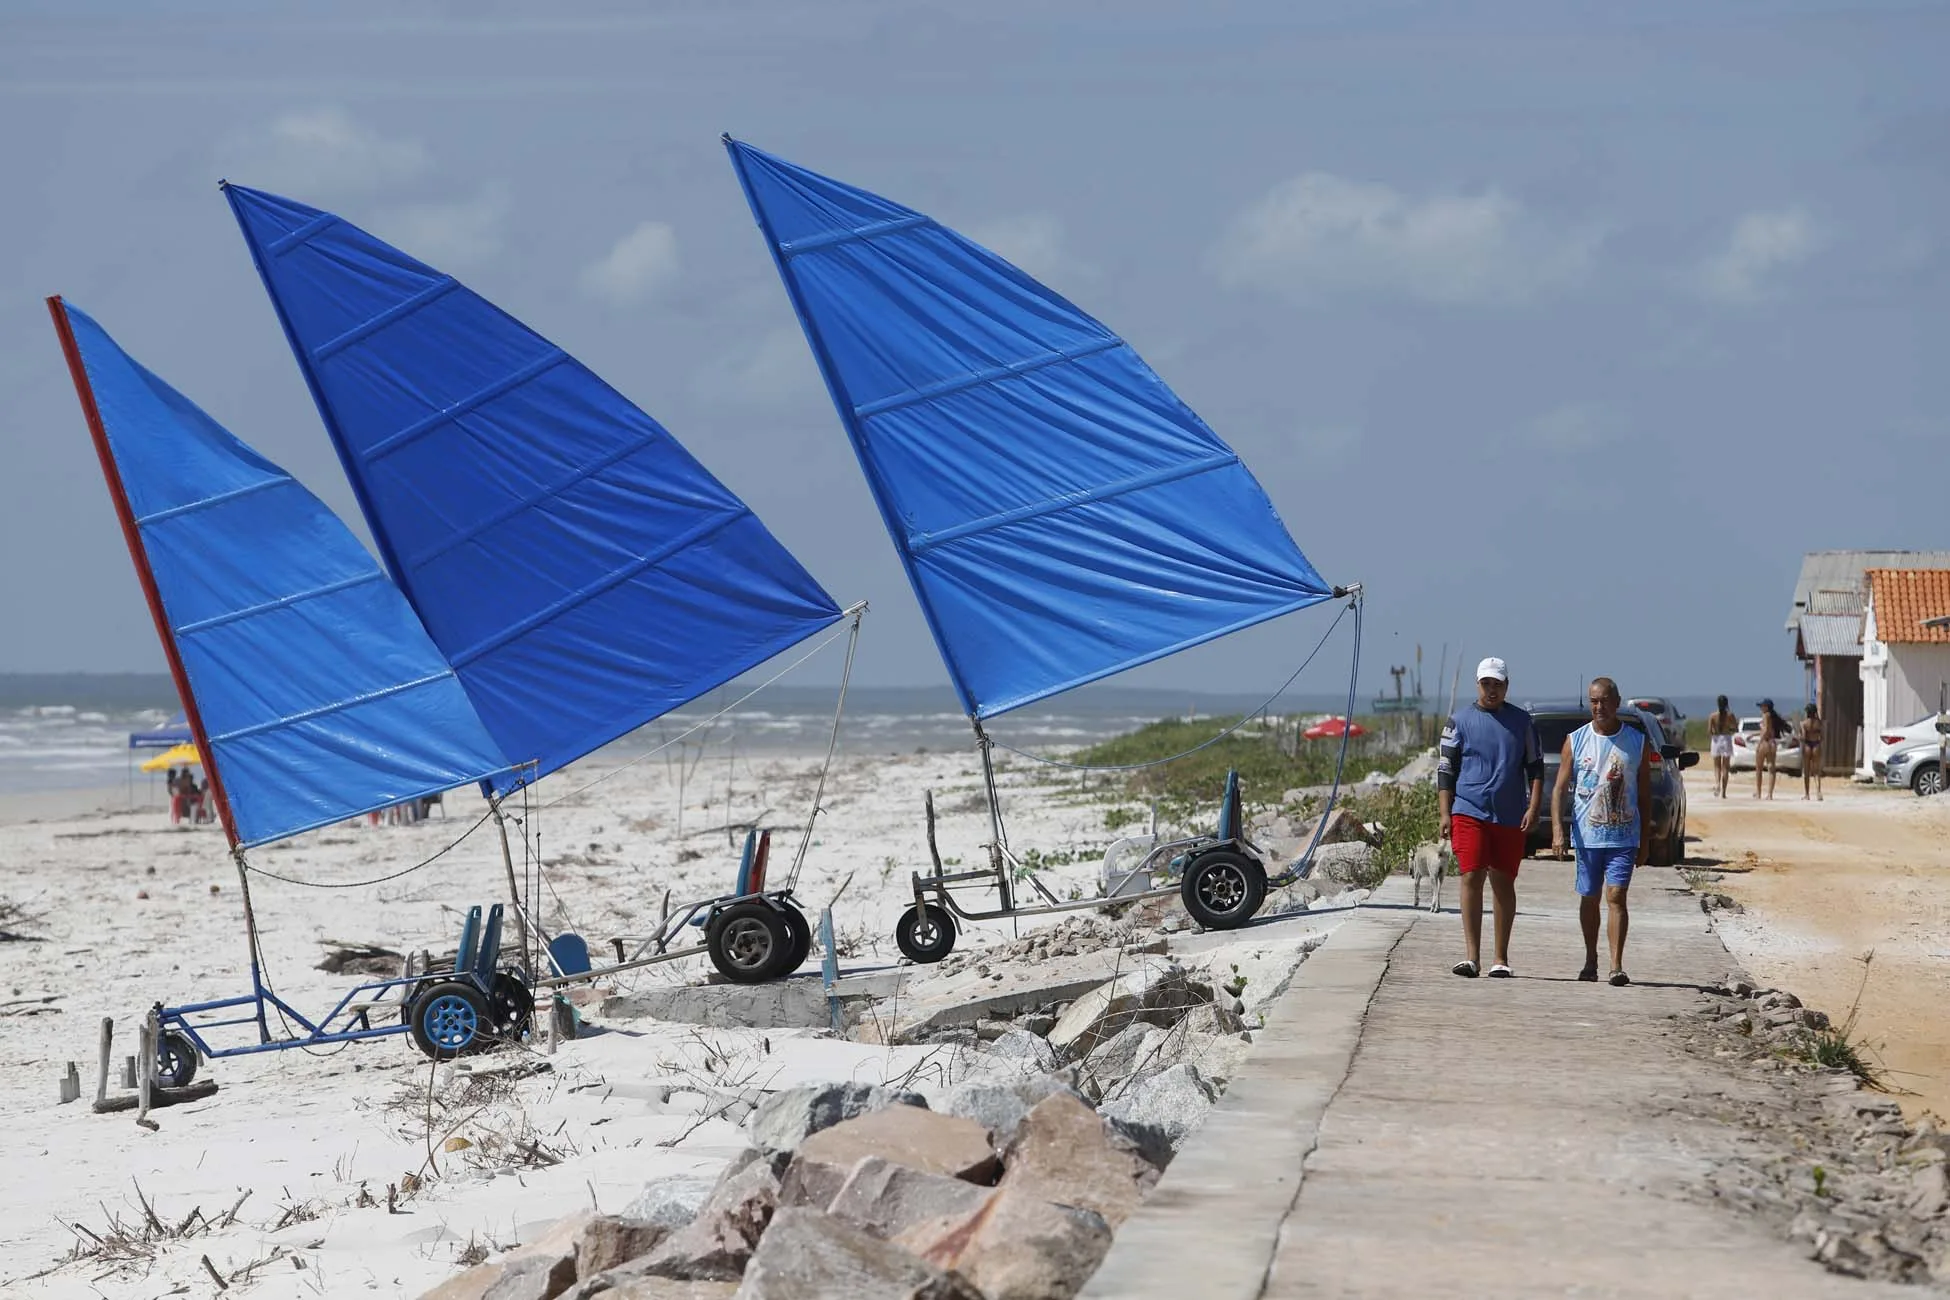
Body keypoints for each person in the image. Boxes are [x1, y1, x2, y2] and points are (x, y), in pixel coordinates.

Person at [1437, 657, 1543, 978]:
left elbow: (1535, 768)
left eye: (1498, 684)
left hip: (1509, 814)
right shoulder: (1458, 721)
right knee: (1471, 876)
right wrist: (1445, 812)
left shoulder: (1522, 722)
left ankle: (1500, 957)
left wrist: (1534, 806)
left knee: (1502, 881)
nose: (1492, 690)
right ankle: (1472, 957)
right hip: (1468, 809)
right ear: (1478, 684)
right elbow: (1445, 770)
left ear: (1507, 685)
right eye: (1486, 684)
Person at [1551, 678, 1652, 986]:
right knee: (1590, 897)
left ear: (1617, 701)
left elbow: (1645, 795)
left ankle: (1616, 965)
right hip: (1587, 837)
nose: (1600, 707)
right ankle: (1590, 959)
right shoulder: (1576, 740)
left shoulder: (1636, 741)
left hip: (1624, 836)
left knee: (1616, 896)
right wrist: (1558, 830)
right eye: (1594, 701)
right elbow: (1558, 790)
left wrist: (1645, 840)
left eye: (1605, 700)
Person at [1754, 699, 1788, 800]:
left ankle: (1758, 792)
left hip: (1765, 742)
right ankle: (1770, 794)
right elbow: (1769, 730)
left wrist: (1759, 743)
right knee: (1771, 768)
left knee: (1759, 768)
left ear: (1766, 707)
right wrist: (1754, 734)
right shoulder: (1773, 717)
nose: (1760, 708)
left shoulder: (1766, 715)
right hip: (1772, 742)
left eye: (1762, 706)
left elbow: (1765, 730)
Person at [1706, 695, 1738, 798]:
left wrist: (1715, 732)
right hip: (1726, 739)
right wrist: (1729, 729)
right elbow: (1735, 728)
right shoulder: (1730, 715)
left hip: (1716, 739)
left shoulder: (1713, 716)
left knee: (1717, 766)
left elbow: (1709, 731)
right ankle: (1724, 792)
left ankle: (1717, 784)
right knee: (1725, 767)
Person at [1800, 704, 1824, 801]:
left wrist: (1799, 737)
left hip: (1807, 746)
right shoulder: (1819, 723)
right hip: (1816, 745)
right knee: (1816, 771)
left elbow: (1804, 737)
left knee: (1807, 771)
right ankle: (1818, 792)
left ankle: (1807, 794)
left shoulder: (1804, 723)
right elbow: (1822, 737)